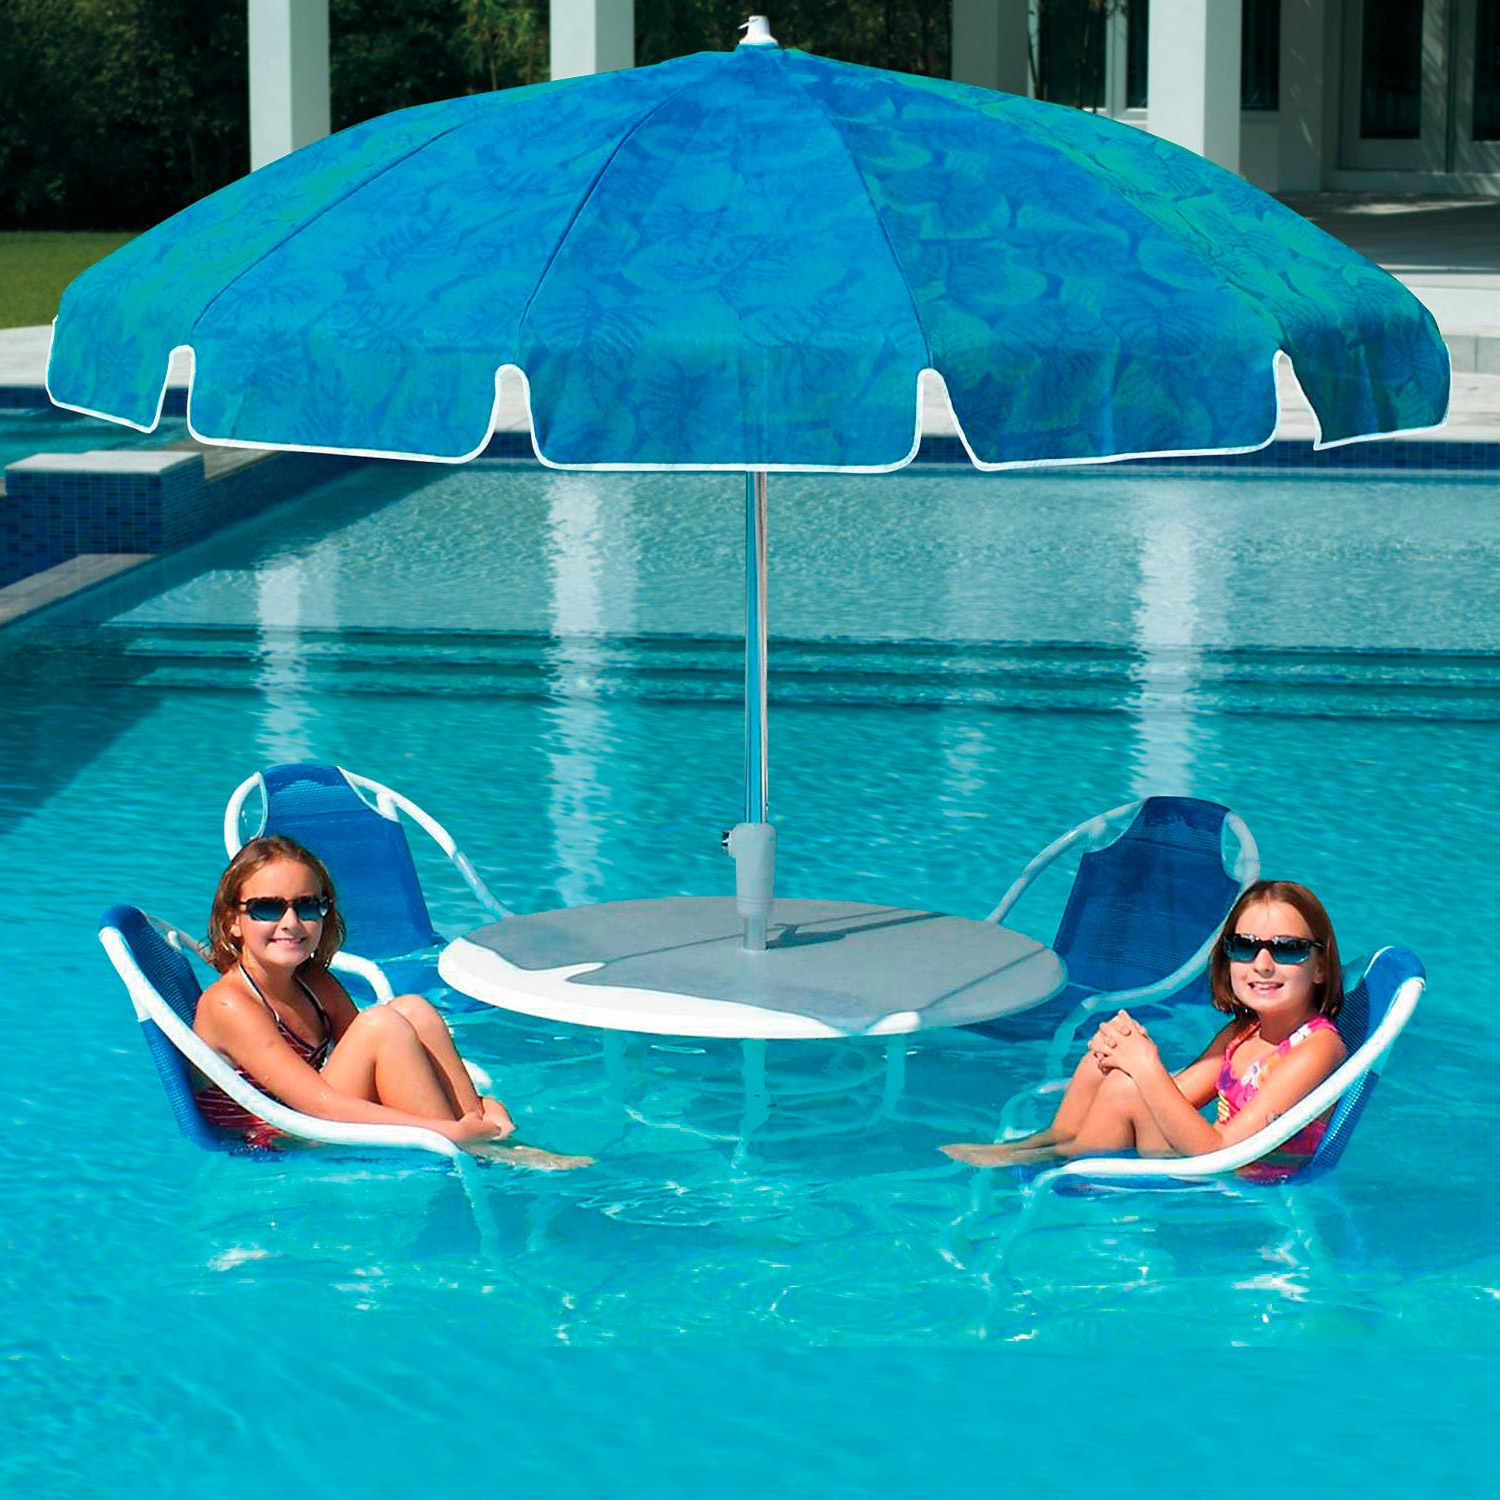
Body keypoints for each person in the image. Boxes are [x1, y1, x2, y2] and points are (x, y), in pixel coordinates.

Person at [194, 834, 591, 1169]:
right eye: (267, 907)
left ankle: (481, 1138)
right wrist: (443, 1131)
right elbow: (318, 1104)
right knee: (382, 1025)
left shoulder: (314, 982)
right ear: (233, 920)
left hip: (314, 1116)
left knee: (411, 1009)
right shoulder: (230, 1005)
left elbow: (377, 1061)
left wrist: (483, 1108)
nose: (291, 922)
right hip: (282, 1140)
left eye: (308, 905)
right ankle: (469, 1152)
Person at [941, 879, 1347, 1179]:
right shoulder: (1242, 1033)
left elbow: (1225, 1150)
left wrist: (1145, 1066)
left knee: (1130, 1083)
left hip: (1237, 1176)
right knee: (1112, 1065)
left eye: (1287, 948)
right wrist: (1122, 1050)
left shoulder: (1317, 1049)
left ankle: (1065, 1166)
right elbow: (1179, 1096)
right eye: (1244, 946)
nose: (1262, 964)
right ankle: (1051, 1142)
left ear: (1321, 967)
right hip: (1206, 1157)